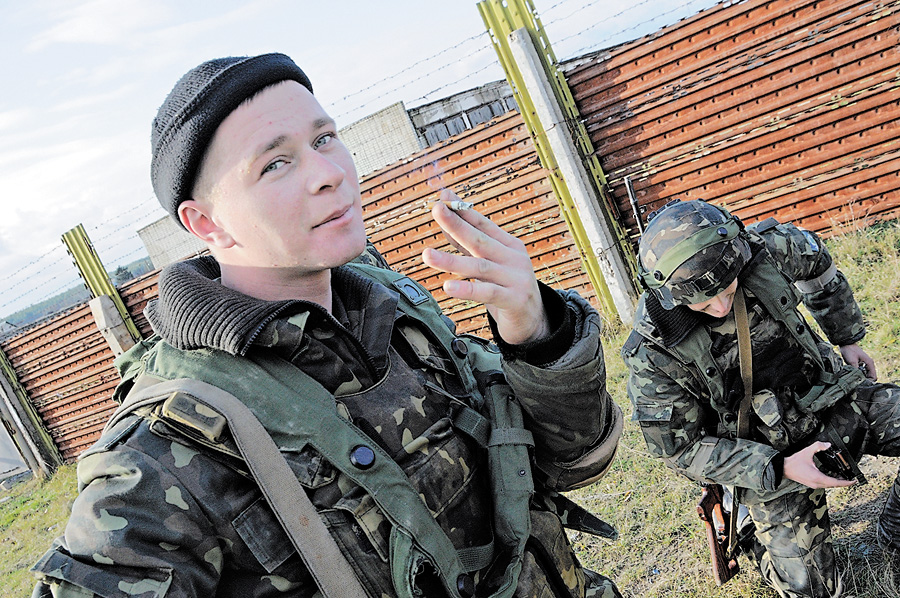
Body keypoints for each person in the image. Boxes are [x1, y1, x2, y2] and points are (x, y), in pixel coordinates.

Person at [31, 53, 625, 598]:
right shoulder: (166, 448)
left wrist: (535, 334)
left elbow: (576, 461)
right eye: (277, 163)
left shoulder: (393, 311)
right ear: (206, 224)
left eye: (326, 138)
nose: (329, 172)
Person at [621, 198, 900, 598]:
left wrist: (847, 338)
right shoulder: (654, 350)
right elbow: (680, 450)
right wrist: (779, 468)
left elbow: (818, 263)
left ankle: (893, 531)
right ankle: (754, 541)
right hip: (764, 454)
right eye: (702, 302)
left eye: (727, 287)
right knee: (813, 589)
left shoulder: (765, 249)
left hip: (831, 401)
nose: (719, 305)